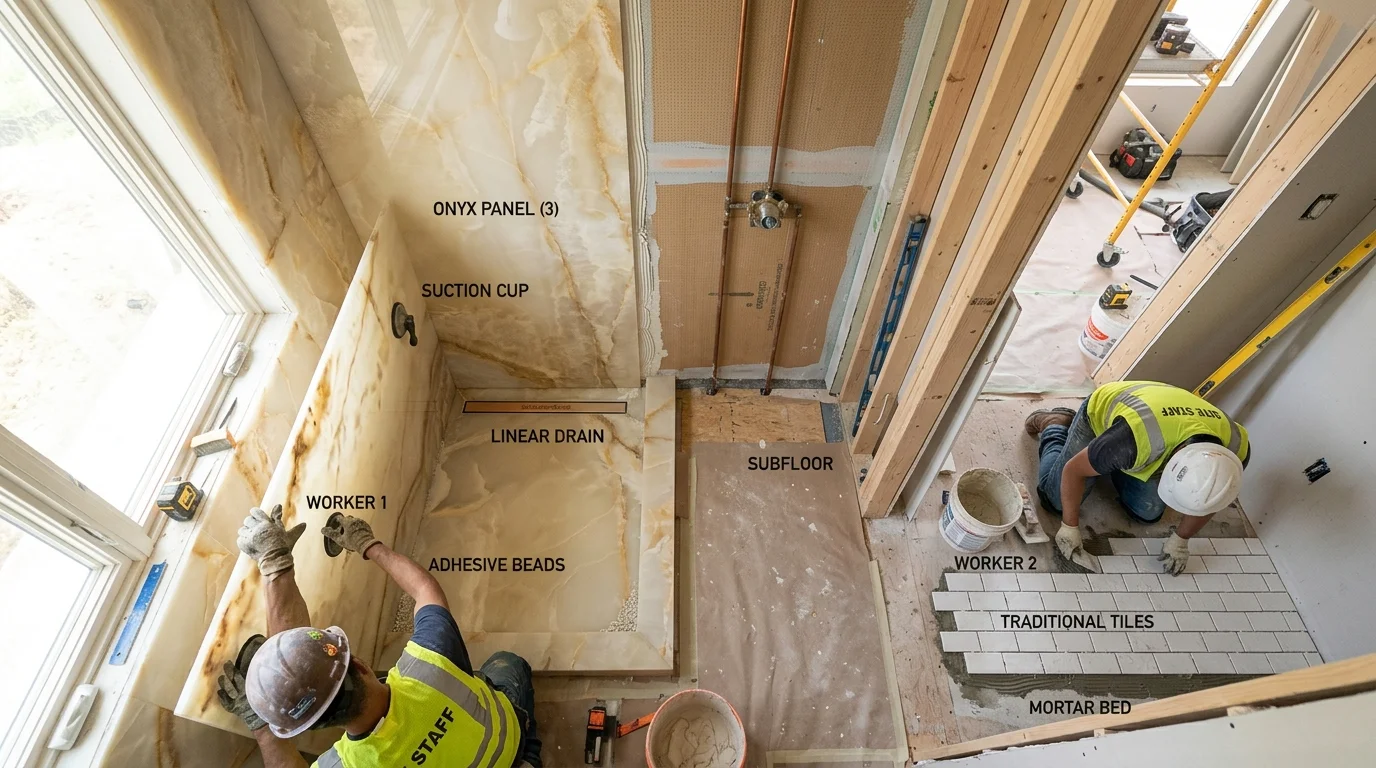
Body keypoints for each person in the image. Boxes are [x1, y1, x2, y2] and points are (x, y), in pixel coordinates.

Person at [215, 506, 542, 768]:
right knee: (508, 665)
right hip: (510, 742)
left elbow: (302, 681)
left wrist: (259, 724)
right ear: (358, 665)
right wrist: (369, 545)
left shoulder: (347, 763)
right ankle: (529, 756)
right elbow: (426, 592)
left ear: (312, 727)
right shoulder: (430, 666)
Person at [1025, 381, 1250, 575]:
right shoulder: (1133, 440)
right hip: (1107, 410)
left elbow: (1212, 497)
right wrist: (1069, 526)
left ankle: (1107, 461)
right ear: (1171, 464)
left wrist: (1181, 539)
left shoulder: (1234, 454)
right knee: (1055, 501)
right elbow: (1073, 471)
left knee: (1147, 513)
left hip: (1152, 428)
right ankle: (1056, 423)